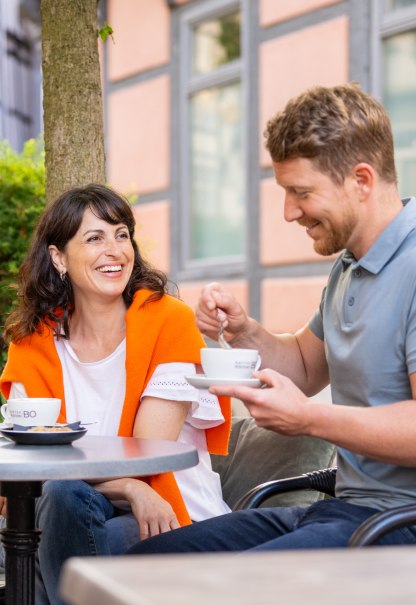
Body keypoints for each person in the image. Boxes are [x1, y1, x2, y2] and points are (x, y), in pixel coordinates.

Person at [127, 82, 416, 556]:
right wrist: (245, 332)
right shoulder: (349, 266)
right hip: (347, 511)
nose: (288, 212)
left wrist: (310, 419)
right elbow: (303, 367)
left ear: (361, 180)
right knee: (150, 562)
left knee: (221, 586)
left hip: (399, 524)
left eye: (301, 192)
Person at [0, 183, 231, 605]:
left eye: (121, 234)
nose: (115, 250)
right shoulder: (31, 343)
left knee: (48, 541)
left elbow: (147, 452)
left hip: (170, 509)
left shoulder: (169, 322)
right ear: (58, 257)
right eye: (94, 238)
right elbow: (36, 461)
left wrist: (139, 488)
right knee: (59, 498)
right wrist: (129, 489)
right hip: (85, 503)